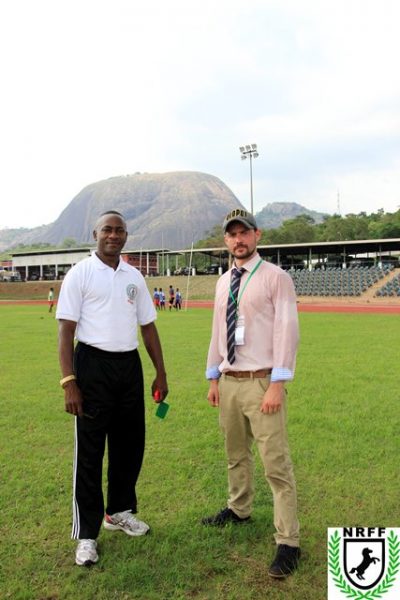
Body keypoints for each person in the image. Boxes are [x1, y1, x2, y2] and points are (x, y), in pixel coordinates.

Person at [56, 211, 168, 567]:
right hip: (92, 365)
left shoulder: (134, 276)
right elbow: (65, 331)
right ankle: (87, 534)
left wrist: (160, 373)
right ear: (96, 234)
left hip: (128, 366)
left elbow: (148, 327)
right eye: (107, 229)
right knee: (90, 453)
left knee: (129, 445)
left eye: (120, 230)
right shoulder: (80, 273)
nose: (114, 235)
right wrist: (70, 382)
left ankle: (118, 512)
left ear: (126, 236)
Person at [203, 208, 300, 579]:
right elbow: (218, 330)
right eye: (232, 234)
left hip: (262, 382)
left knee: (276, 464)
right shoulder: (222, 281)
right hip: (230, 381)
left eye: (244, 232)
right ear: (226, 240)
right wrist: (214, 377)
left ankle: (288, 541)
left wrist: (278, 382)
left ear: (257, 235)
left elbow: (287, 329)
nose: (238, 240)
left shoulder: (276, 277)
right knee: (235, 454)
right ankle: (239, 509)